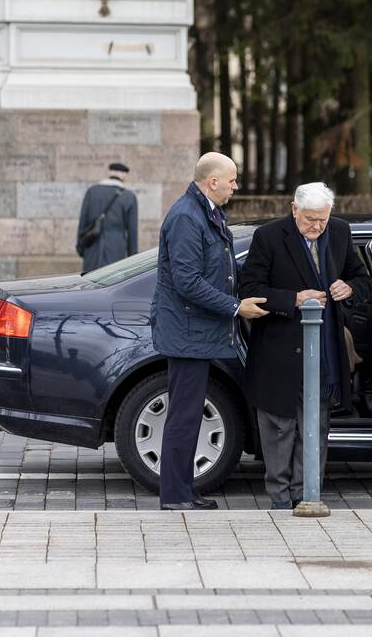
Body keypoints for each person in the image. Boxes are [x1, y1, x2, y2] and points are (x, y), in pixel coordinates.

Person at [239, 182, 370, 510]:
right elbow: (250, 288)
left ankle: (307, 495)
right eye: (310, 219)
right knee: (279, 429)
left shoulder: (339, 232)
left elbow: (362, 278)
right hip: (279, 352)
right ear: (294, 209)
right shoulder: (269, 237)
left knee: (316, 426)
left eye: (322, 220)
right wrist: (293, 299)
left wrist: (349, 287)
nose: (317, 226)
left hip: (325, 349)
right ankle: (280, 499)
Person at [150, 153, 269, 510]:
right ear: (212, 181)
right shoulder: (187, 216)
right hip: (188, 334)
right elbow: (187, 281)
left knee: (188, 416)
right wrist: (235, 307)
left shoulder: (204, 212)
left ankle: (184, 492)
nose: (236, 186)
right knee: (184, 417)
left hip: (196, 332)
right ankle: (174, 496)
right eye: (232, 179)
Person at [76, 162, 139, 273]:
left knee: (90, 283)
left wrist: (81, 248)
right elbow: (132, 231)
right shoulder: (129, 196)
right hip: (116, 249)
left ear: (109, 173)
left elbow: (83, 222)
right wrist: (132, 258)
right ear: (124, 176)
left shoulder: (92, 192)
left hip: (91, 247)